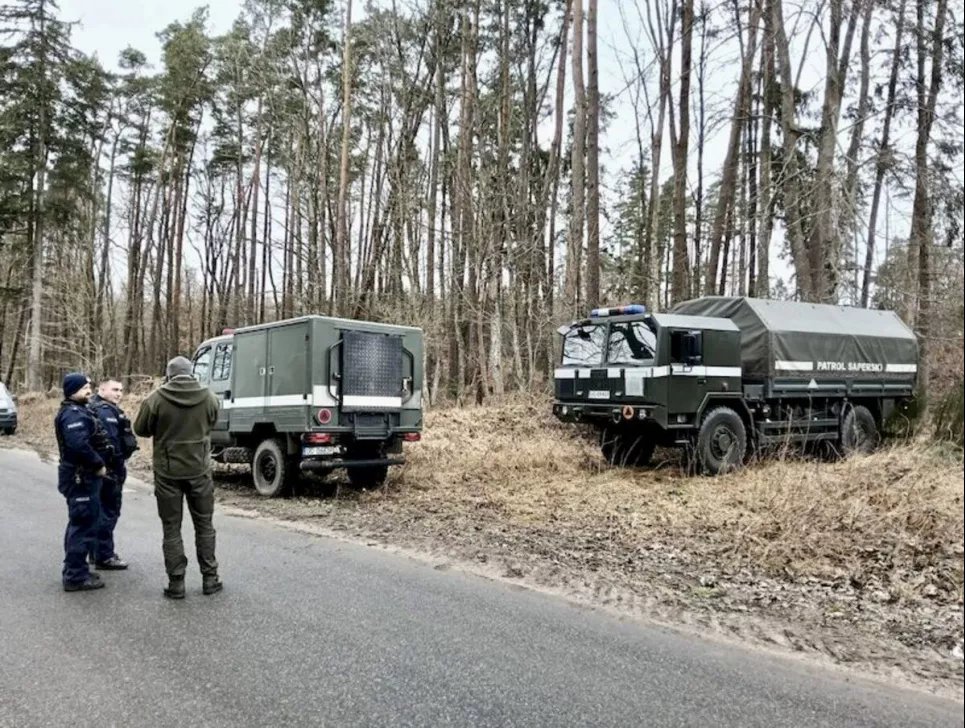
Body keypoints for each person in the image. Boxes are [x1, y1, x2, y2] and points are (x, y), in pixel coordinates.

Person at [133, 356, 222, 599]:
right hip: (199, 470)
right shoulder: (209, 397)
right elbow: (213, 421)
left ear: (169, 375)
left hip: (167, 472)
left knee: (171, 527)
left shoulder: (156, 399)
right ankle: (210, 579)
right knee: (204, 524)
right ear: (191, 372)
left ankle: (176, 583)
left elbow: (140, 429)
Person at [55, 372, 113, 591]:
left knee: (82, 523)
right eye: (83, 387)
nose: (88, 390)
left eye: (89, 386)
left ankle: (77, 569)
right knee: (82, 525)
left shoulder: (80, 410)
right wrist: (98, 463)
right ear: (72, 390)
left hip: (82, 476)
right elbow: (78, 445)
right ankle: (75, 577)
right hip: (80, 477)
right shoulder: (72, 414)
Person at [89, 378, 139, 570]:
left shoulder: (96, 407)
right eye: (114, 389)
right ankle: (104, 555)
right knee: (108, 512)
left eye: (121, 390)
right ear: (101, 389)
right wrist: (115, 465)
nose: (119, 393)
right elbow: (110, 445)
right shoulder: (105, 412)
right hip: (110, 470)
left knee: (100, 511)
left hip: (103, 469)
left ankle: (96, 552)